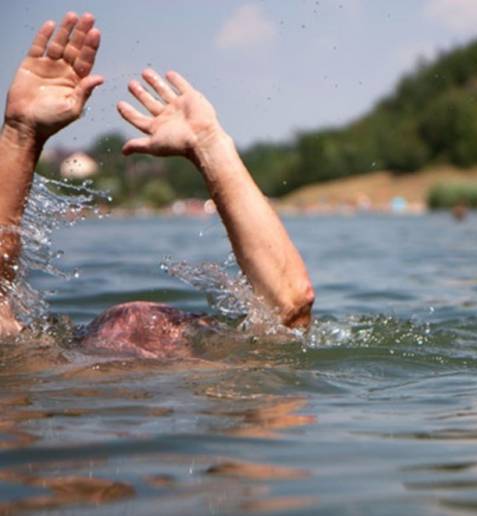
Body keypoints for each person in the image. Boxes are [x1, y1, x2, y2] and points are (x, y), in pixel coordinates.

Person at [0, 13, 314, 358]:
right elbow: (288, 309)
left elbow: (291, 307)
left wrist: (21, 134)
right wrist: (210, 146)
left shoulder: (47, 366)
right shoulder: (221, 378)